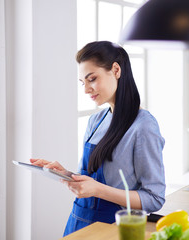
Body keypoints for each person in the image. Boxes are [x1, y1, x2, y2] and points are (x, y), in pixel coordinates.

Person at [30, 41, 166, 236]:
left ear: (116, 70)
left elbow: (154, 199)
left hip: (113, 229)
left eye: (92, 79)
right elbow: (91, 181)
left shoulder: (144, 126)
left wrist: (97, 190)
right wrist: (66, 174)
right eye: (82, 83)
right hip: (77, 223)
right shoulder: (96, 121)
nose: (86, 89)